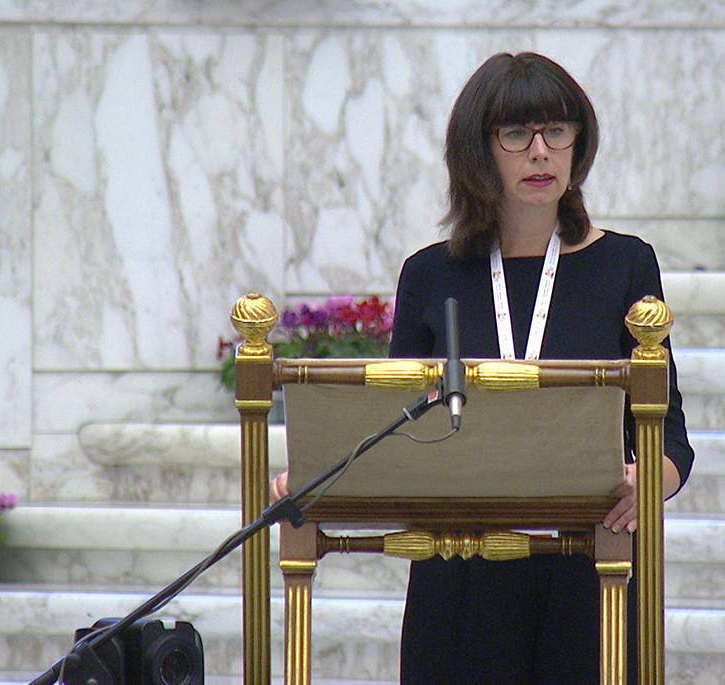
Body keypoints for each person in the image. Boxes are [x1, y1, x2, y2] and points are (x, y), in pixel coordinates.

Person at [270, 51, 693, 682]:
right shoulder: (430, 274)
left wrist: (647, 480)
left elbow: (672, 440)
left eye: (558, 131)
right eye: (517, 134)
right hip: (459, 578)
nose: (541, 152)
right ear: (480, 150)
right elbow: (398, 431)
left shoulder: (625, 265)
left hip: (586, 570)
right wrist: (317, 475)